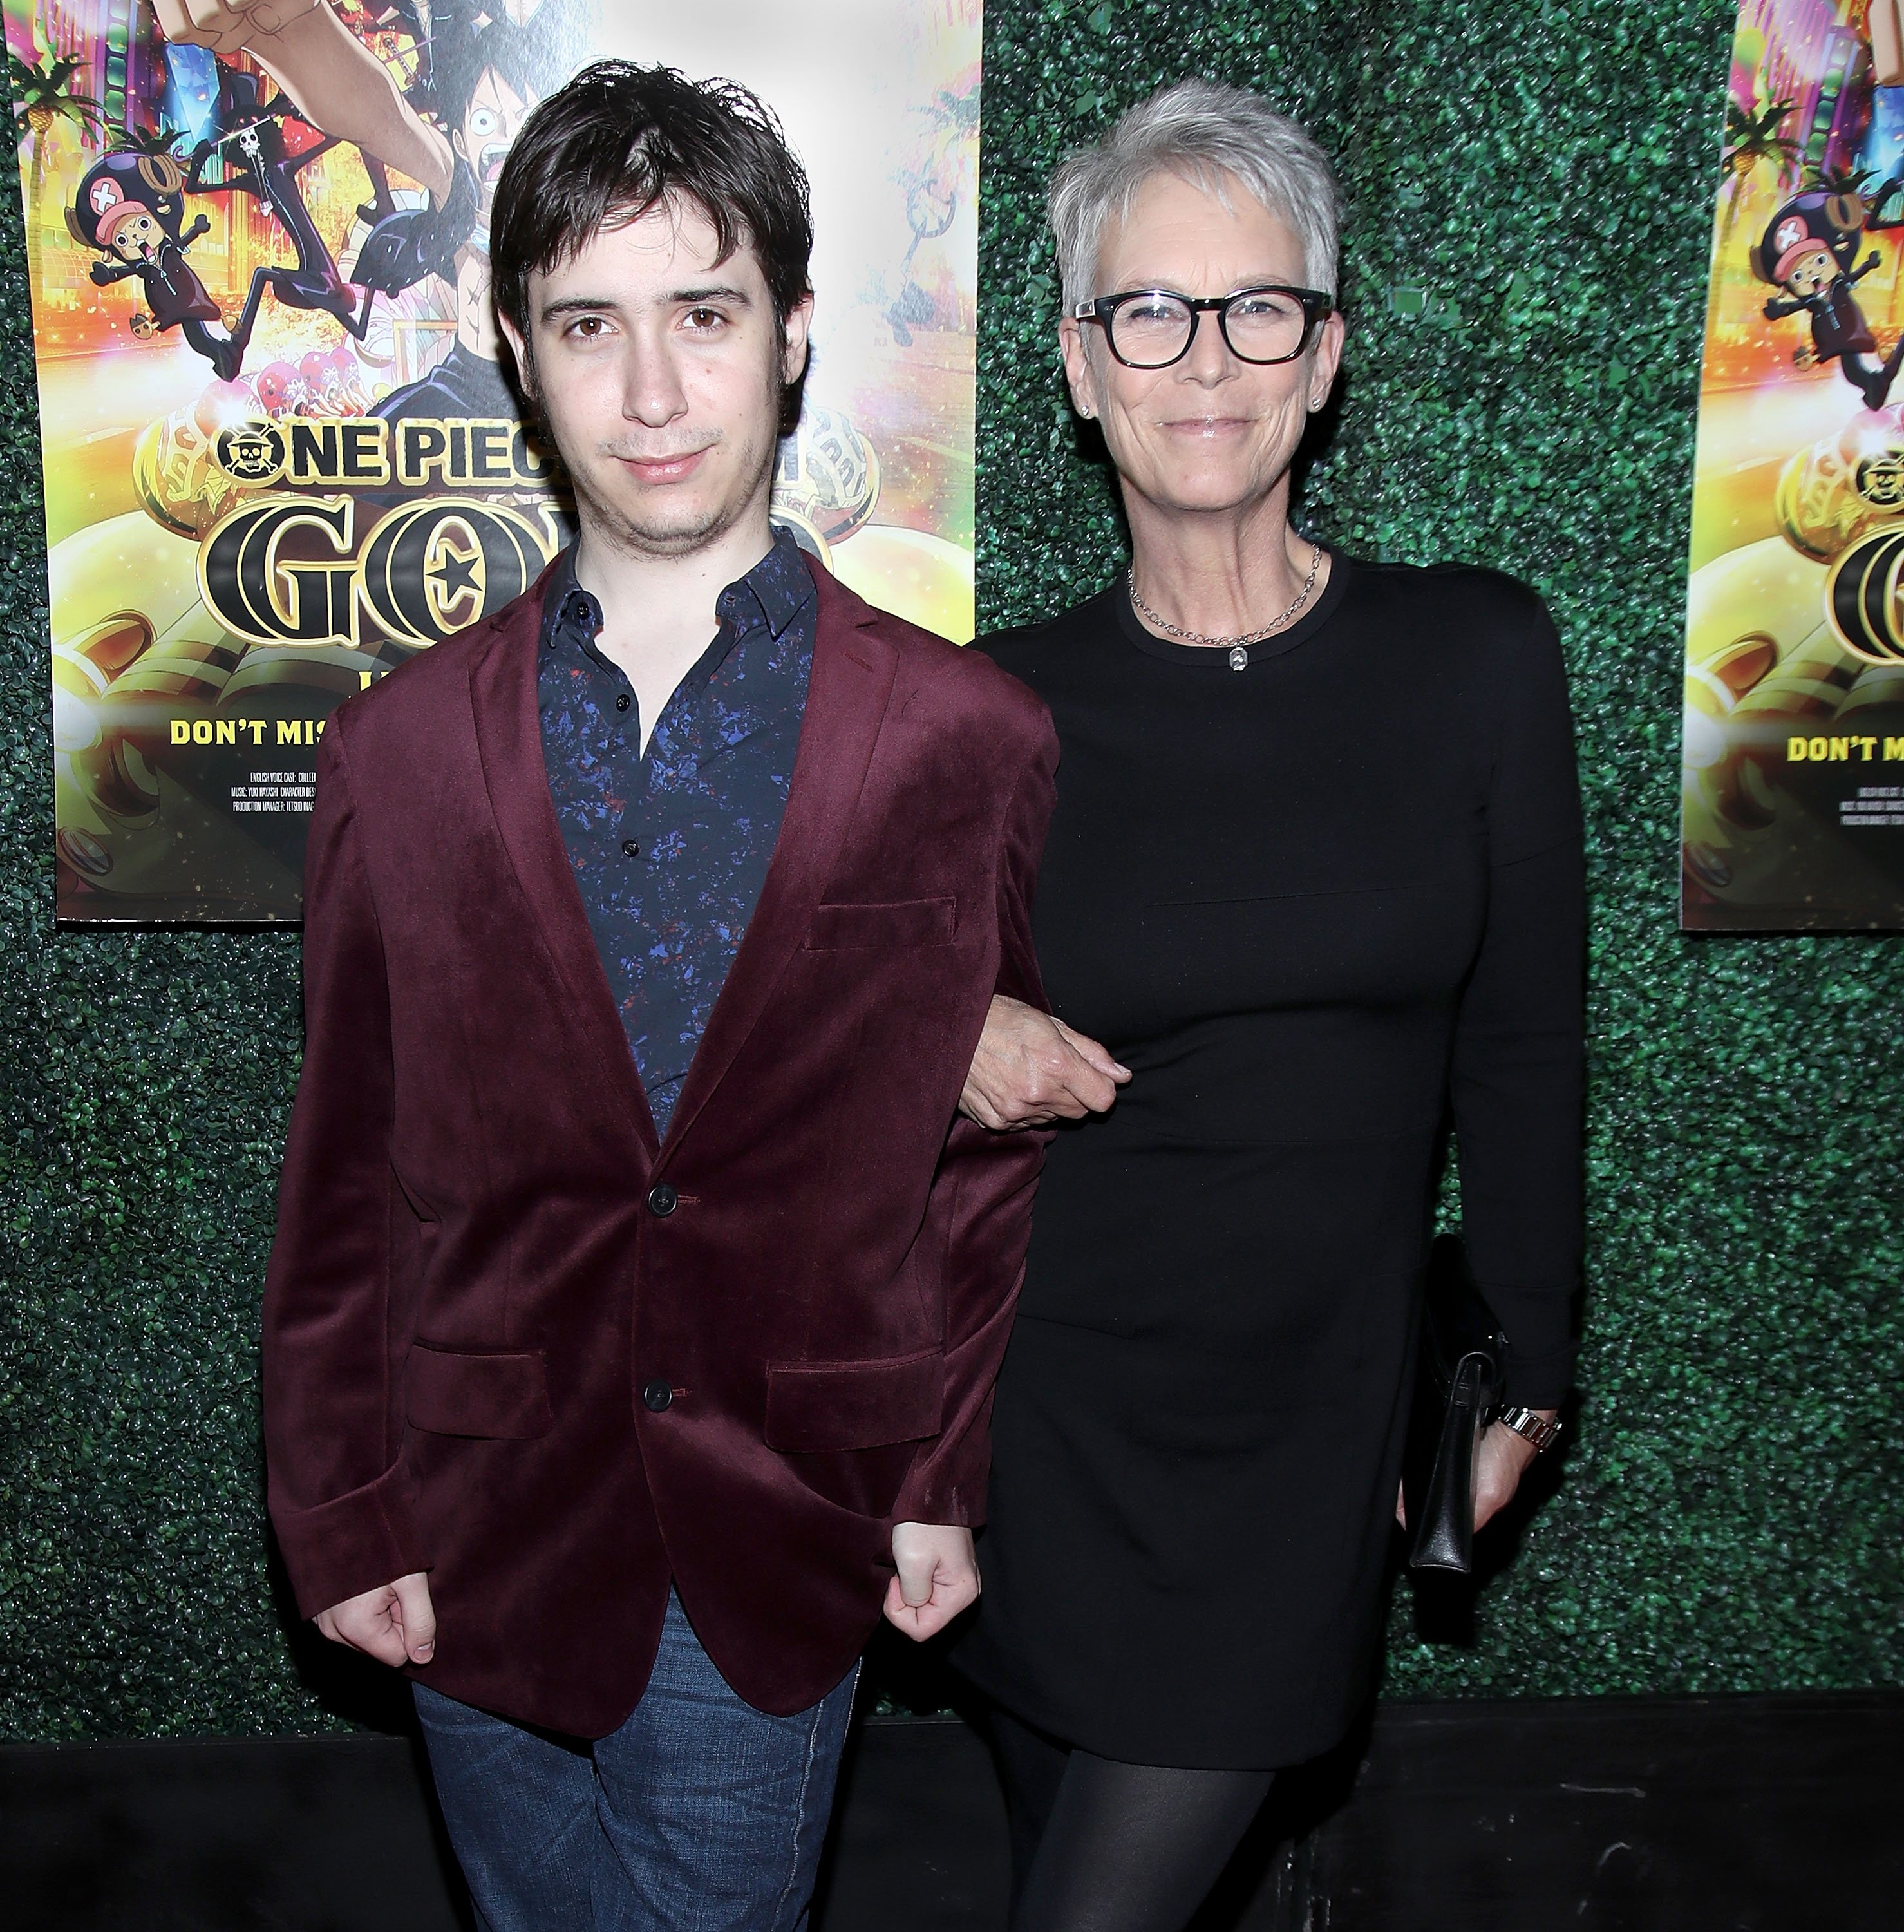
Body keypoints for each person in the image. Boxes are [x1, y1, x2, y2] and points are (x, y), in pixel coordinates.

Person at [259, 62, 1057, 1932]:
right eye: (587, 325)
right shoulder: (398, 752)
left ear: (790, 334)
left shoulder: (965, 739)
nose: (649, 391)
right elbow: (344, 1176)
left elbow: (978, 1159)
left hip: (783, 1507)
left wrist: (938, 1476)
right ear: (519, 358)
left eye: (701, 316)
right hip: (468, 1514)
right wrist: (343, 1506)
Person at [950, 79, 1585, 1932]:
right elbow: (803, 1038)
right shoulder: (992, 715)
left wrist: (1528, 1375)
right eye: (1147, 310)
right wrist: (938, 1030)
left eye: (1258, 310)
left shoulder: (1479, 657)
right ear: (1081, 365)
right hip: (1040, 1424)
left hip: (1309, 1432)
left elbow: (1527, 1046)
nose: (1203, 358)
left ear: (1323, 357)